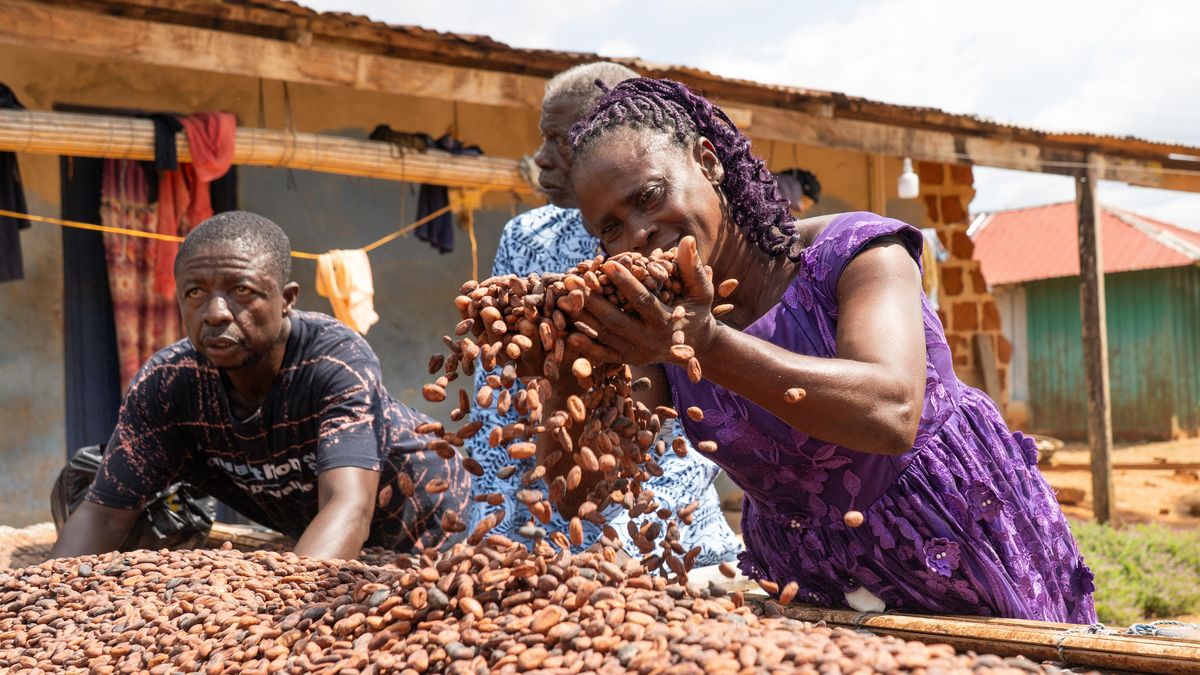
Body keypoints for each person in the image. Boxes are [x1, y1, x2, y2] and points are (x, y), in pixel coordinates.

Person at [562, 77, 1097, 623]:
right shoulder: (658, 326)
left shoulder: (855, 253)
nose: (639, 233)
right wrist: (559, 368)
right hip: (810, 580)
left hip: (951, 540)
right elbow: (590, 483)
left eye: (649, 197)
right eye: (610, 228)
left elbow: (889, 413)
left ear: (708, 161)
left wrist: (705, 343)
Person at [49, 211, 469, 561]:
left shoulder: (333, 362)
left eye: (241, 291)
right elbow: (104, 514)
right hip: (332, 546)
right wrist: (36, 601)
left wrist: (285, 614)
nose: (215, 312)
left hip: (435, 528)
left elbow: (348, 506)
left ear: (286, 298)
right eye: (195, 292)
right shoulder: (169, 385)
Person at [465, 63, 742, 565]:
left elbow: (683, 408)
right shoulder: (527, 238)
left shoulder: (677, 236)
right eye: (542, 140)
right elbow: (501, 393)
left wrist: (624, 535)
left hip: (661, 535)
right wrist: (498, 510)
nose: (542, 160)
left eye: (561, 141)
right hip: (524, 520)